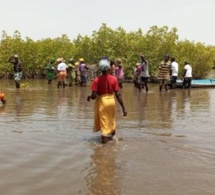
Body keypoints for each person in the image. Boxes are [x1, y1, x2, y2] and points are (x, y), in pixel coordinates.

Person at [87, 58, 127, 144]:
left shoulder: (96, 80)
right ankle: (113, 138)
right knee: (111, 119)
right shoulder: (114, 79)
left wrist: (89, 96)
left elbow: (94, 96)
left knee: (104, 122)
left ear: (100, 69)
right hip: (111, 101)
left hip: (103, 102)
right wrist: (123, 108)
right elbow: (118, 94)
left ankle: (104, 147)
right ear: (108, 68)